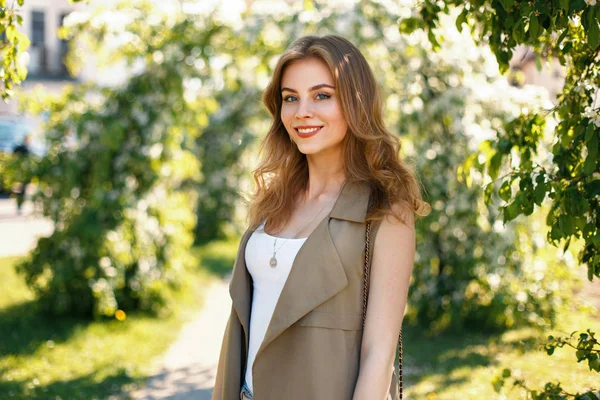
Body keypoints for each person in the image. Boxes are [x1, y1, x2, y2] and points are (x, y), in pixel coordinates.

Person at [212, 35, 430, 400]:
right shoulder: (274, 199)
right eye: (290, 98)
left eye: (322, 96)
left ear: (355, 103)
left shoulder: (386, 210)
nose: (302, 112)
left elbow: (379, 354)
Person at [12, 134, 31, 215]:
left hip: (24, 172)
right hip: (21, 172)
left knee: (22, 190)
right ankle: (19, 205)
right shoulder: (22, 148)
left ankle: (20, 206)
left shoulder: (25, 148)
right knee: (20, 190)